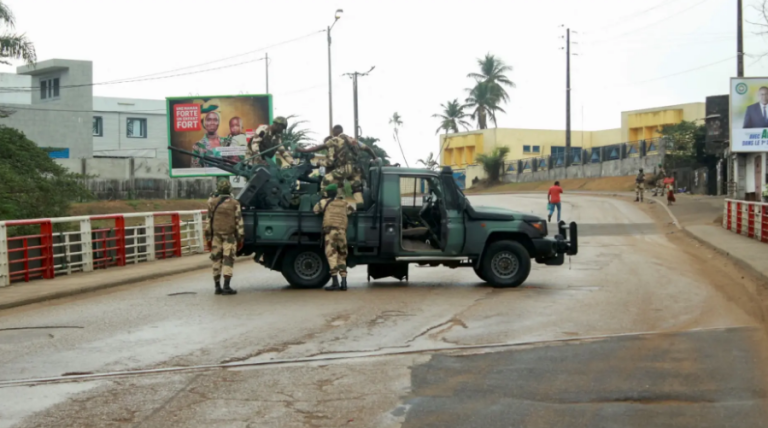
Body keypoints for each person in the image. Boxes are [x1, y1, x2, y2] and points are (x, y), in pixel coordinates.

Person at [297, 124, 378, 205]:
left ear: (334, 132)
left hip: (345, 168)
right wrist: (375, 157)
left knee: (325, 180)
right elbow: (367, 148)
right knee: (355, 187)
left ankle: (324, 203)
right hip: (356, 169)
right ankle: (359, 202)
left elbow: (320, 149)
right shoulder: (353, 140)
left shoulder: (335, 140)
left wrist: (303, 150)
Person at [313, 184, 356, 291]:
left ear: (327, 193)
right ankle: (344, 283)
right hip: (342, 233)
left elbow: (315, 210)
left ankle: (335, 283)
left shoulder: (324, 202)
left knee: (332, 255)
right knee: (342, 256)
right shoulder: (344, 203)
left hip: (330, 232)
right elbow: (352, 211)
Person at [206, 180, 244, 295]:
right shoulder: (235, 203)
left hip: (216, 236)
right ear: (230, 190)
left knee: (216, 260)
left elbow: (208, 221)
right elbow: (239, 222)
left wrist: (208, 238)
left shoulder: (211, 202)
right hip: (230, 236)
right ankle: (226, 286)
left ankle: (217, 287)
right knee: (228, 260)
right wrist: (241, 238)